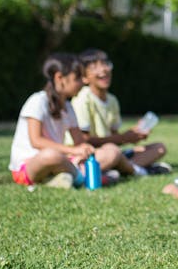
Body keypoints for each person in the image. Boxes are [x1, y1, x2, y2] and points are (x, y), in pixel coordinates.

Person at [8, 53, 111, 189]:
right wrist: (73, 151)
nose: (81, 83)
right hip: (30, 165)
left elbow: (79, 142)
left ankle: (62, 178)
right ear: (59, 78)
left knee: (110, 151)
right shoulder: (38, 101)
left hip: (62, 159)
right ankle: (82, 178)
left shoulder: (68, 107)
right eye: (77, 78)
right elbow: (36, 141)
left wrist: (84, 150)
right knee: (51, 156)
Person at [70, 48, 171, 176]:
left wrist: (133, 134)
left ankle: (119, 169)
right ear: (84, 77)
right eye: (94, 66)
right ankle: (137, 170)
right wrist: (123, 138)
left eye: (105, 64)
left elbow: (114, 137)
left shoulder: (112, 100)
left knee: (159, 148)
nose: (103, 69)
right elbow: (83, 140)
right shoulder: (83, 98)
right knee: (112, 153)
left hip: (110, 151)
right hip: (88, 155)